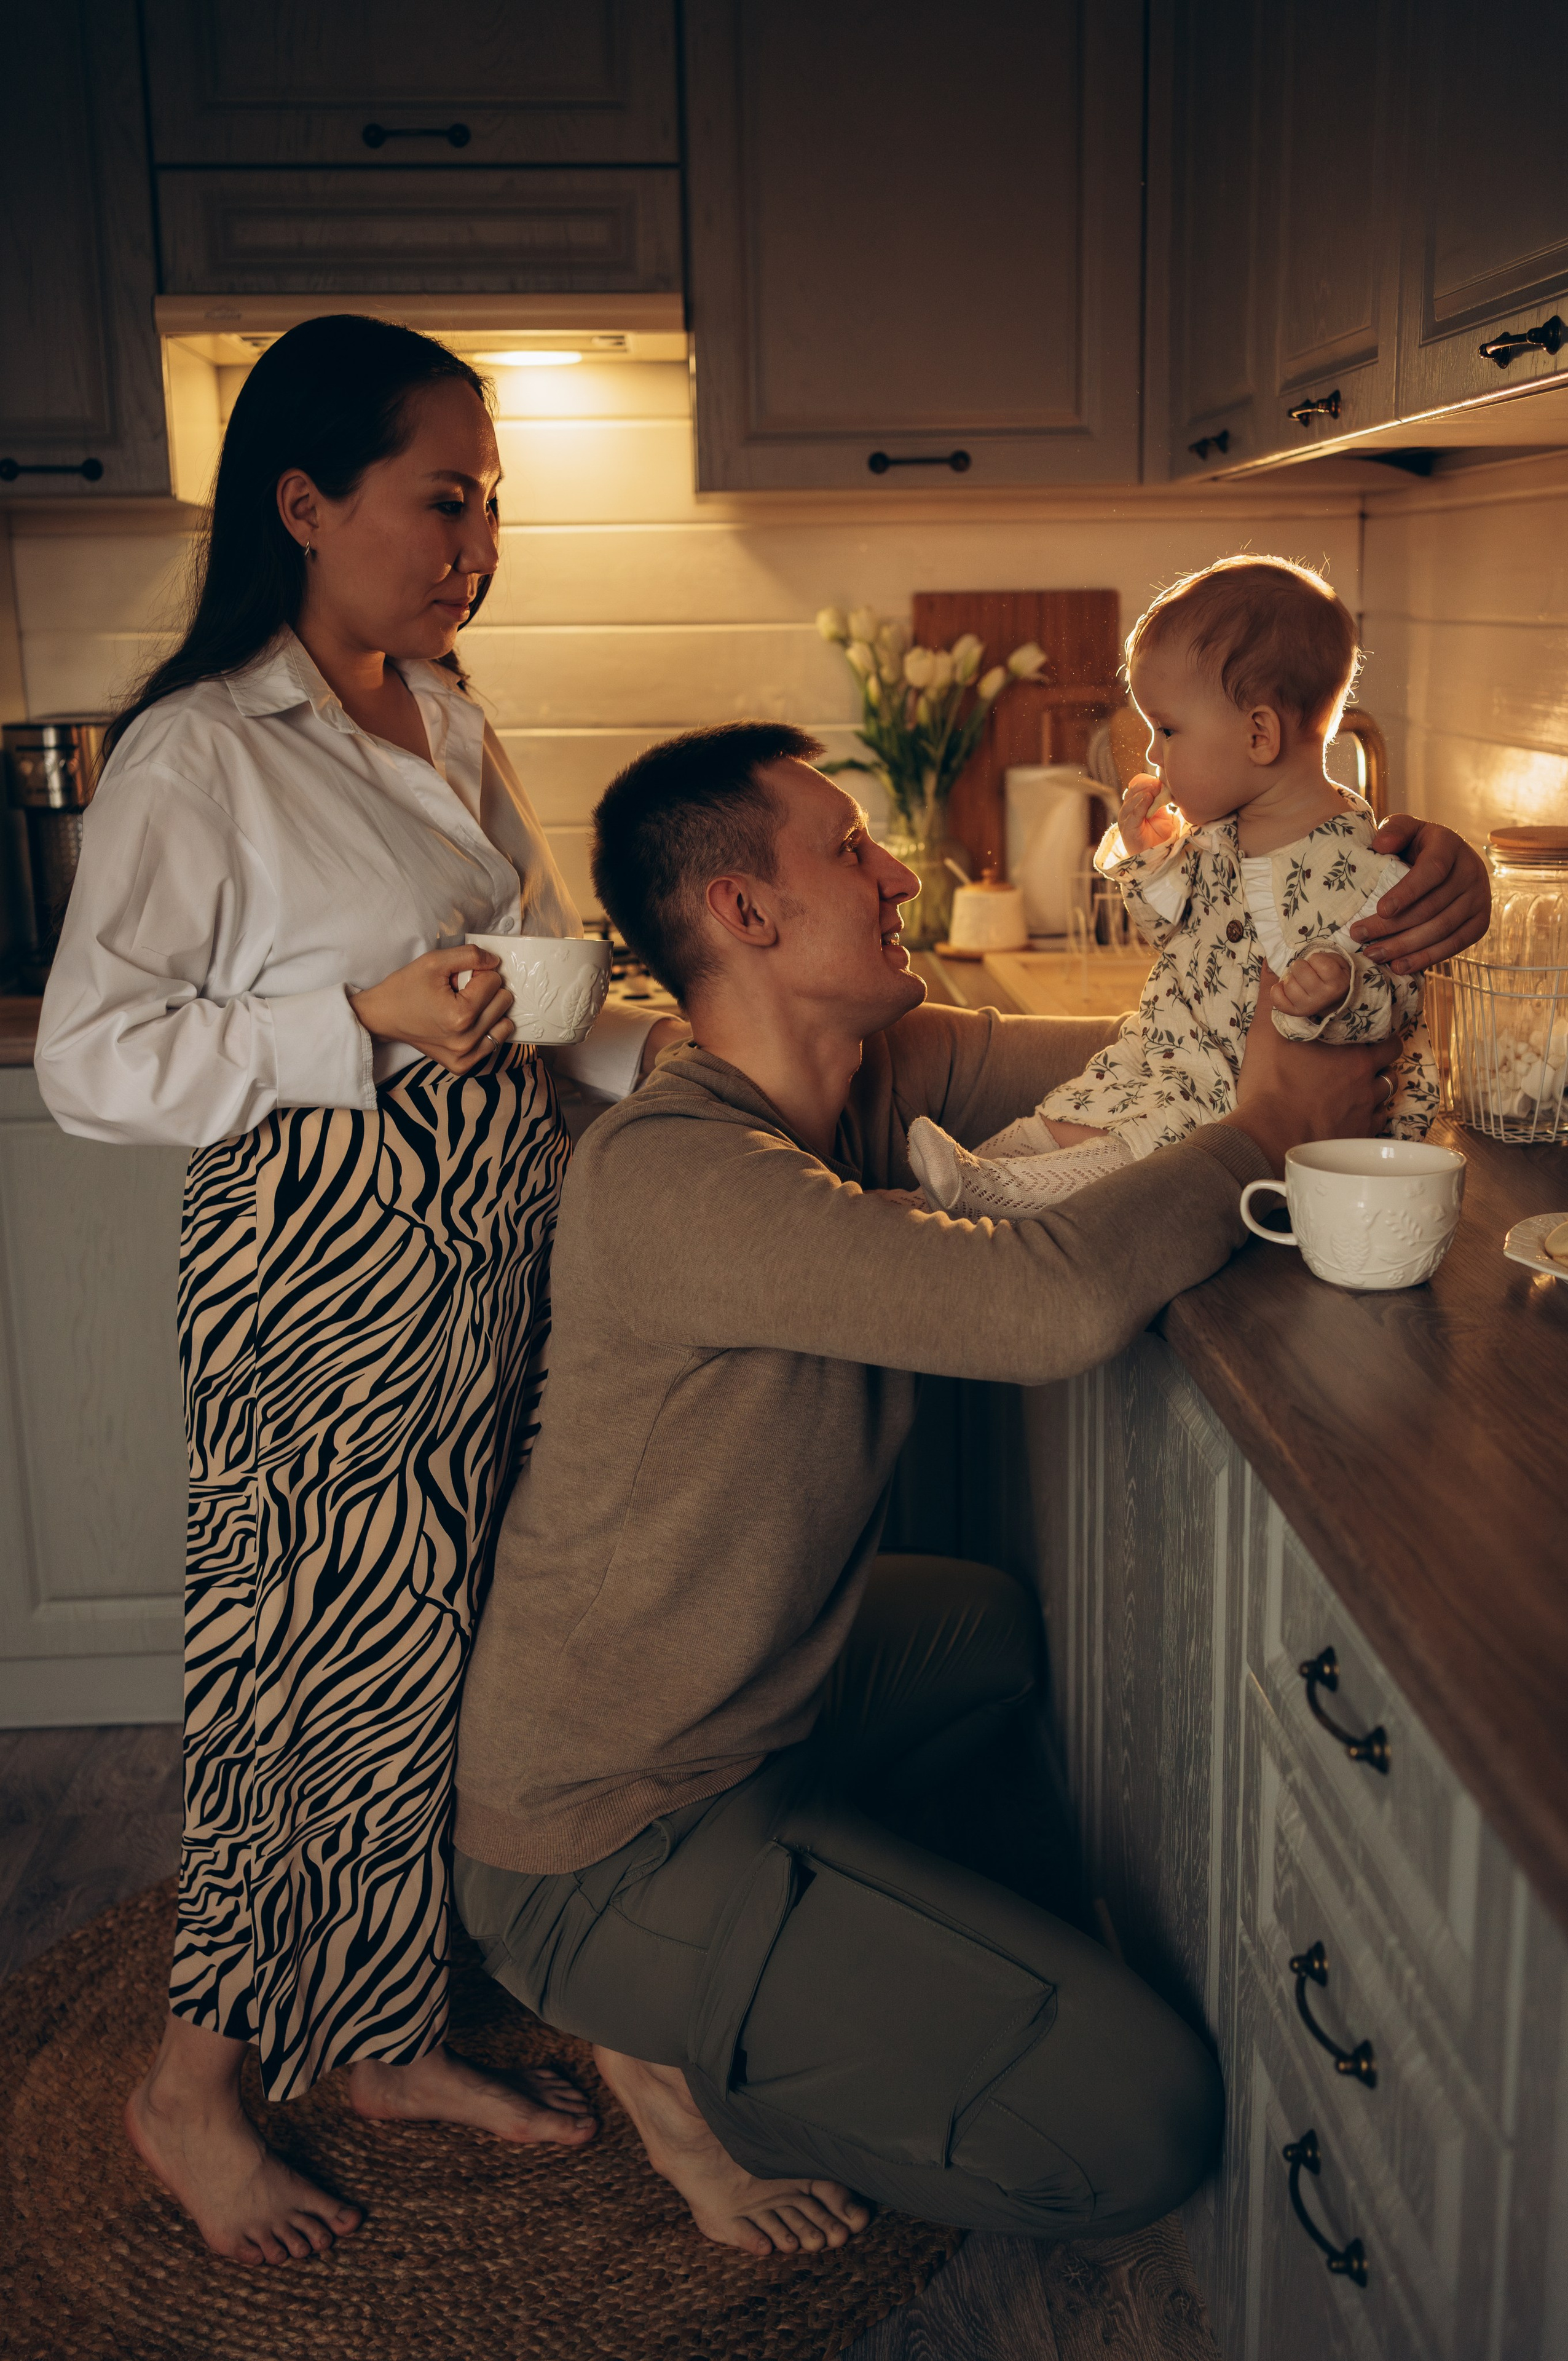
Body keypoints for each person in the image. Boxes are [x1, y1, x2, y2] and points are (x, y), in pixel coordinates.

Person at [451, 721, 1489, 2258]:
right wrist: (1267, 1133)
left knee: (984, 1632)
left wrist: (1380, 896)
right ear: (744, 912)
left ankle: (795, 1940)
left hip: (742, 1720)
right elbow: (1036, 1306)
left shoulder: (868, 1082)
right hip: (601, 1838)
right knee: (1139, 2125)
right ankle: (681, 2067)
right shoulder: (671, 1172)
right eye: (848, 850)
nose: (896, 874)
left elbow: (1172, 1058)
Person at [33, 315, 684, 2267]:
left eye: (492, 504)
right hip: (318, 1272)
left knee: (428, 1665)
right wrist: (359, 1018)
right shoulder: (202, 749)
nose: (479, 543)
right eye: (445, 499)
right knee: (293, 1686)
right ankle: (188, 2088)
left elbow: (537, 988)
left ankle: (382, 2039)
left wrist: (706, 1063)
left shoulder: (444, 712)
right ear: (306, 505)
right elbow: (91, 1060)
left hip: (478, 1256)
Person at [908, 558, 1441, 1217]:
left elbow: (1396, 1009)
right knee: (1067, 1116)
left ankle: (987, 1194)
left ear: (1259, 734)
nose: (1153, 755)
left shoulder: (1363, 866)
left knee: (1131, 1158)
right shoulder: (1214, 834)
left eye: (1166, 730)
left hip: (1248, 1106)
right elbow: (1172, 932)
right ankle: (941, 1198)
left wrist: (1341, 989)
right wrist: (1152, 860)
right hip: (1170, 1057)